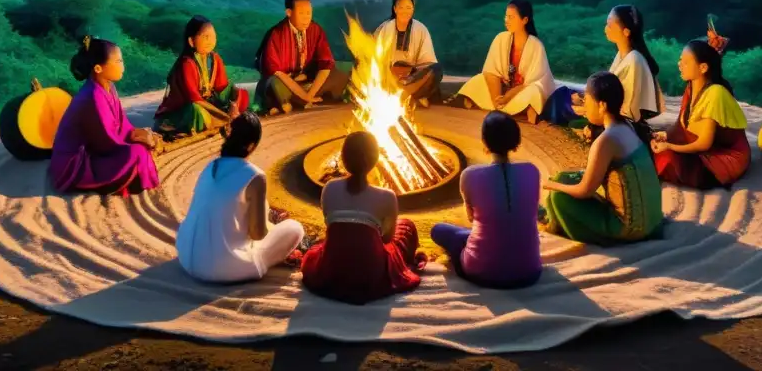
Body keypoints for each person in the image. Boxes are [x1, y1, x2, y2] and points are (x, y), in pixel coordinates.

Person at [176, 112, 305, 283]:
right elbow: (258, 234)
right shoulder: (255, 176)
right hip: (224, 269)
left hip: (186, 256)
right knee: (295, 228)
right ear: (251, 145)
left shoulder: (210, 166)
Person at [300, 131, 426, 304]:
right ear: (375, 160)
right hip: (371, 275)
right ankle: (406, 259)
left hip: (332, 270)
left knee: (320, 247)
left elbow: (333, 226)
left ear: (343, 159)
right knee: (407, 227)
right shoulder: (388, 196)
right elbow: (387, 239)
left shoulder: (329, 188)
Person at [542, 71, 663, 245]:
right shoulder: (627, 125)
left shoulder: (607, 140)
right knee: (563, 178)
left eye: (587, 101)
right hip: (652, 220)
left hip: (630, 227)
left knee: (558, 197)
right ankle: (553, 221)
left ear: (602, 106)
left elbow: (585, 191)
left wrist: (550, 185)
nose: (584, 106)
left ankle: (558, 225)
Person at [430, 111, 542, 288]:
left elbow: (471, 218)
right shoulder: (532, 171)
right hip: (529, 271)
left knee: (439, 230)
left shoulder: (469, 175)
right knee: (490, 231)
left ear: (485, 142)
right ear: (516, 140)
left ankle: (476, 254)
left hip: (481, 272)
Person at [50, 36, 161, 196]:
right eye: (118, 62)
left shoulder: (108, 87)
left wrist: (137, 134)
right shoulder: (93, 95)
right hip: (75, 162)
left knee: (140, 146)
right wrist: (137, 140)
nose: (123, 66)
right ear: (98, 69)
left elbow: (121, 124)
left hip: (97, 147)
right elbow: (105, 142)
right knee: (137, 152)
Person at [650, 20, 751, 189]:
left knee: (668, 157)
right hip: (703, 150)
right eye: (680, 60)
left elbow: (704, 144)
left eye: (686, 62)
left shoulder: (715, 92)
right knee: (650, 140)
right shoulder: (692, 87)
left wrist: (669, 145)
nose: (679, 64)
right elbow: (682, 124)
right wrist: (665, 136)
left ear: (703, 67)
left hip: (721, 158)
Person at [542, 5, 665, 143]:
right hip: (607, 109)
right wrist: (585, 99)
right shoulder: (623, 55)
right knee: (564, 94)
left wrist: (591, 111)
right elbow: (607, 89)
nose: (605, 29)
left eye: (610, 26)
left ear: (626, 32)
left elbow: (628, 109)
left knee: (563, 105)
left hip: (621, 121)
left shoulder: (634, 60)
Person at [454, 0, 555, 124]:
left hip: (521, 92)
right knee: (479, 80)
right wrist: (497, 99)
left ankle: (520, 110)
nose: (506, 20)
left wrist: (508, 96)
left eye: (511, 17)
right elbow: (491, 71)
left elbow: (534, 82)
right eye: (506, 16)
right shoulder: (501, 38)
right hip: (502, 90)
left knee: (534, 92)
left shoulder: (536, 46)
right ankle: (501, 109)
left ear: (525, 20)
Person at [252, 0, 349, 115]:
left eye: (309, 12)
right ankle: (291, 102)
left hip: (307, 82)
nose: (306, 17)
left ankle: (295, 103)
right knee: (274, 84)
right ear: (289, 13)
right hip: (286, 83)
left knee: (339, 75)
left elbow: (325, 65)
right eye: (301, 13)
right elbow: (277, 73)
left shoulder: (316, 30)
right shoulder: (276, 34)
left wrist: (310, 94)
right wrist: (304, 96)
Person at [154, 16, 249, 137]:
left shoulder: (215, 59)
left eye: (213, 36)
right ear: (191, 41)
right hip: (185, 108)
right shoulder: (187, 64)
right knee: (197, 111)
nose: (211, 41)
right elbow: (194, 99)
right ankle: (222, 120)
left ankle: (223, 118)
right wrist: (224, 116)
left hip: (208, 101)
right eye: (206, 37)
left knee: (241, 93)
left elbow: (222, 87)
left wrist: (233, 103)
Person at [374, 0, 443, 108]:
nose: (405, 11)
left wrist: (410, 74)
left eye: (409, 7)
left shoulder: (421, 29)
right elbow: (375, 61)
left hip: (412, 79)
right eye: (401, 7)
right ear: (395, 9)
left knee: (436, 70)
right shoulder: (384, 29)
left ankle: (405, 96)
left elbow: (427, 62)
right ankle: (405, 98)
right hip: (388, 78)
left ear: (413, 9)